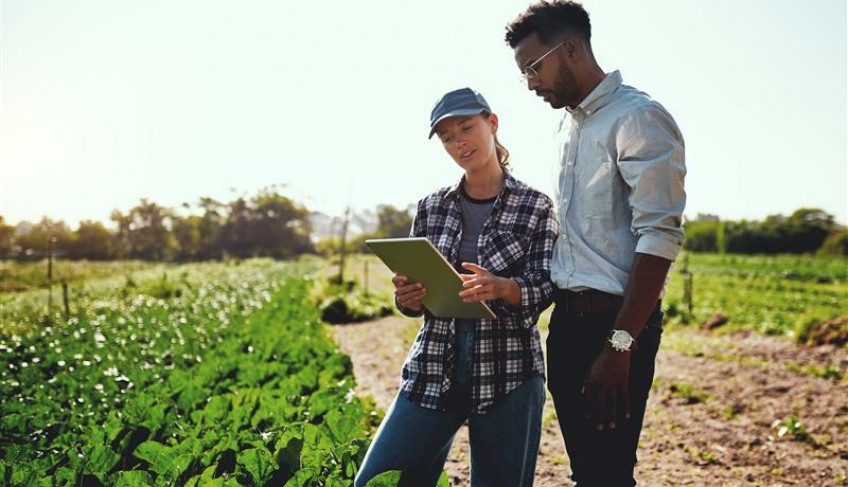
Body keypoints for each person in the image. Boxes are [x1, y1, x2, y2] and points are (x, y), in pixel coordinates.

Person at [504, 2, 687, 486]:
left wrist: (620, 346)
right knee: (588, 472)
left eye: (533, 68)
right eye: (522, 73)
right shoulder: (568, 126)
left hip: (617, 328)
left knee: (607, 475)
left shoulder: (639, 117)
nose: (530, 83)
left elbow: (660, 235)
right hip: (567, 326)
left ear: (571, 49)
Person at [354, 87, 558, 487]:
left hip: (509, 371)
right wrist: (407, 298)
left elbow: (548, 285)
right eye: (447, 137)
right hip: (434, 366)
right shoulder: (432, 207)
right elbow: (415, 299)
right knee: (379, 481)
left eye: (467, 128)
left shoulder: (536, 205)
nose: (459, 142)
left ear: (492, 124)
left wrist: (503, 288)